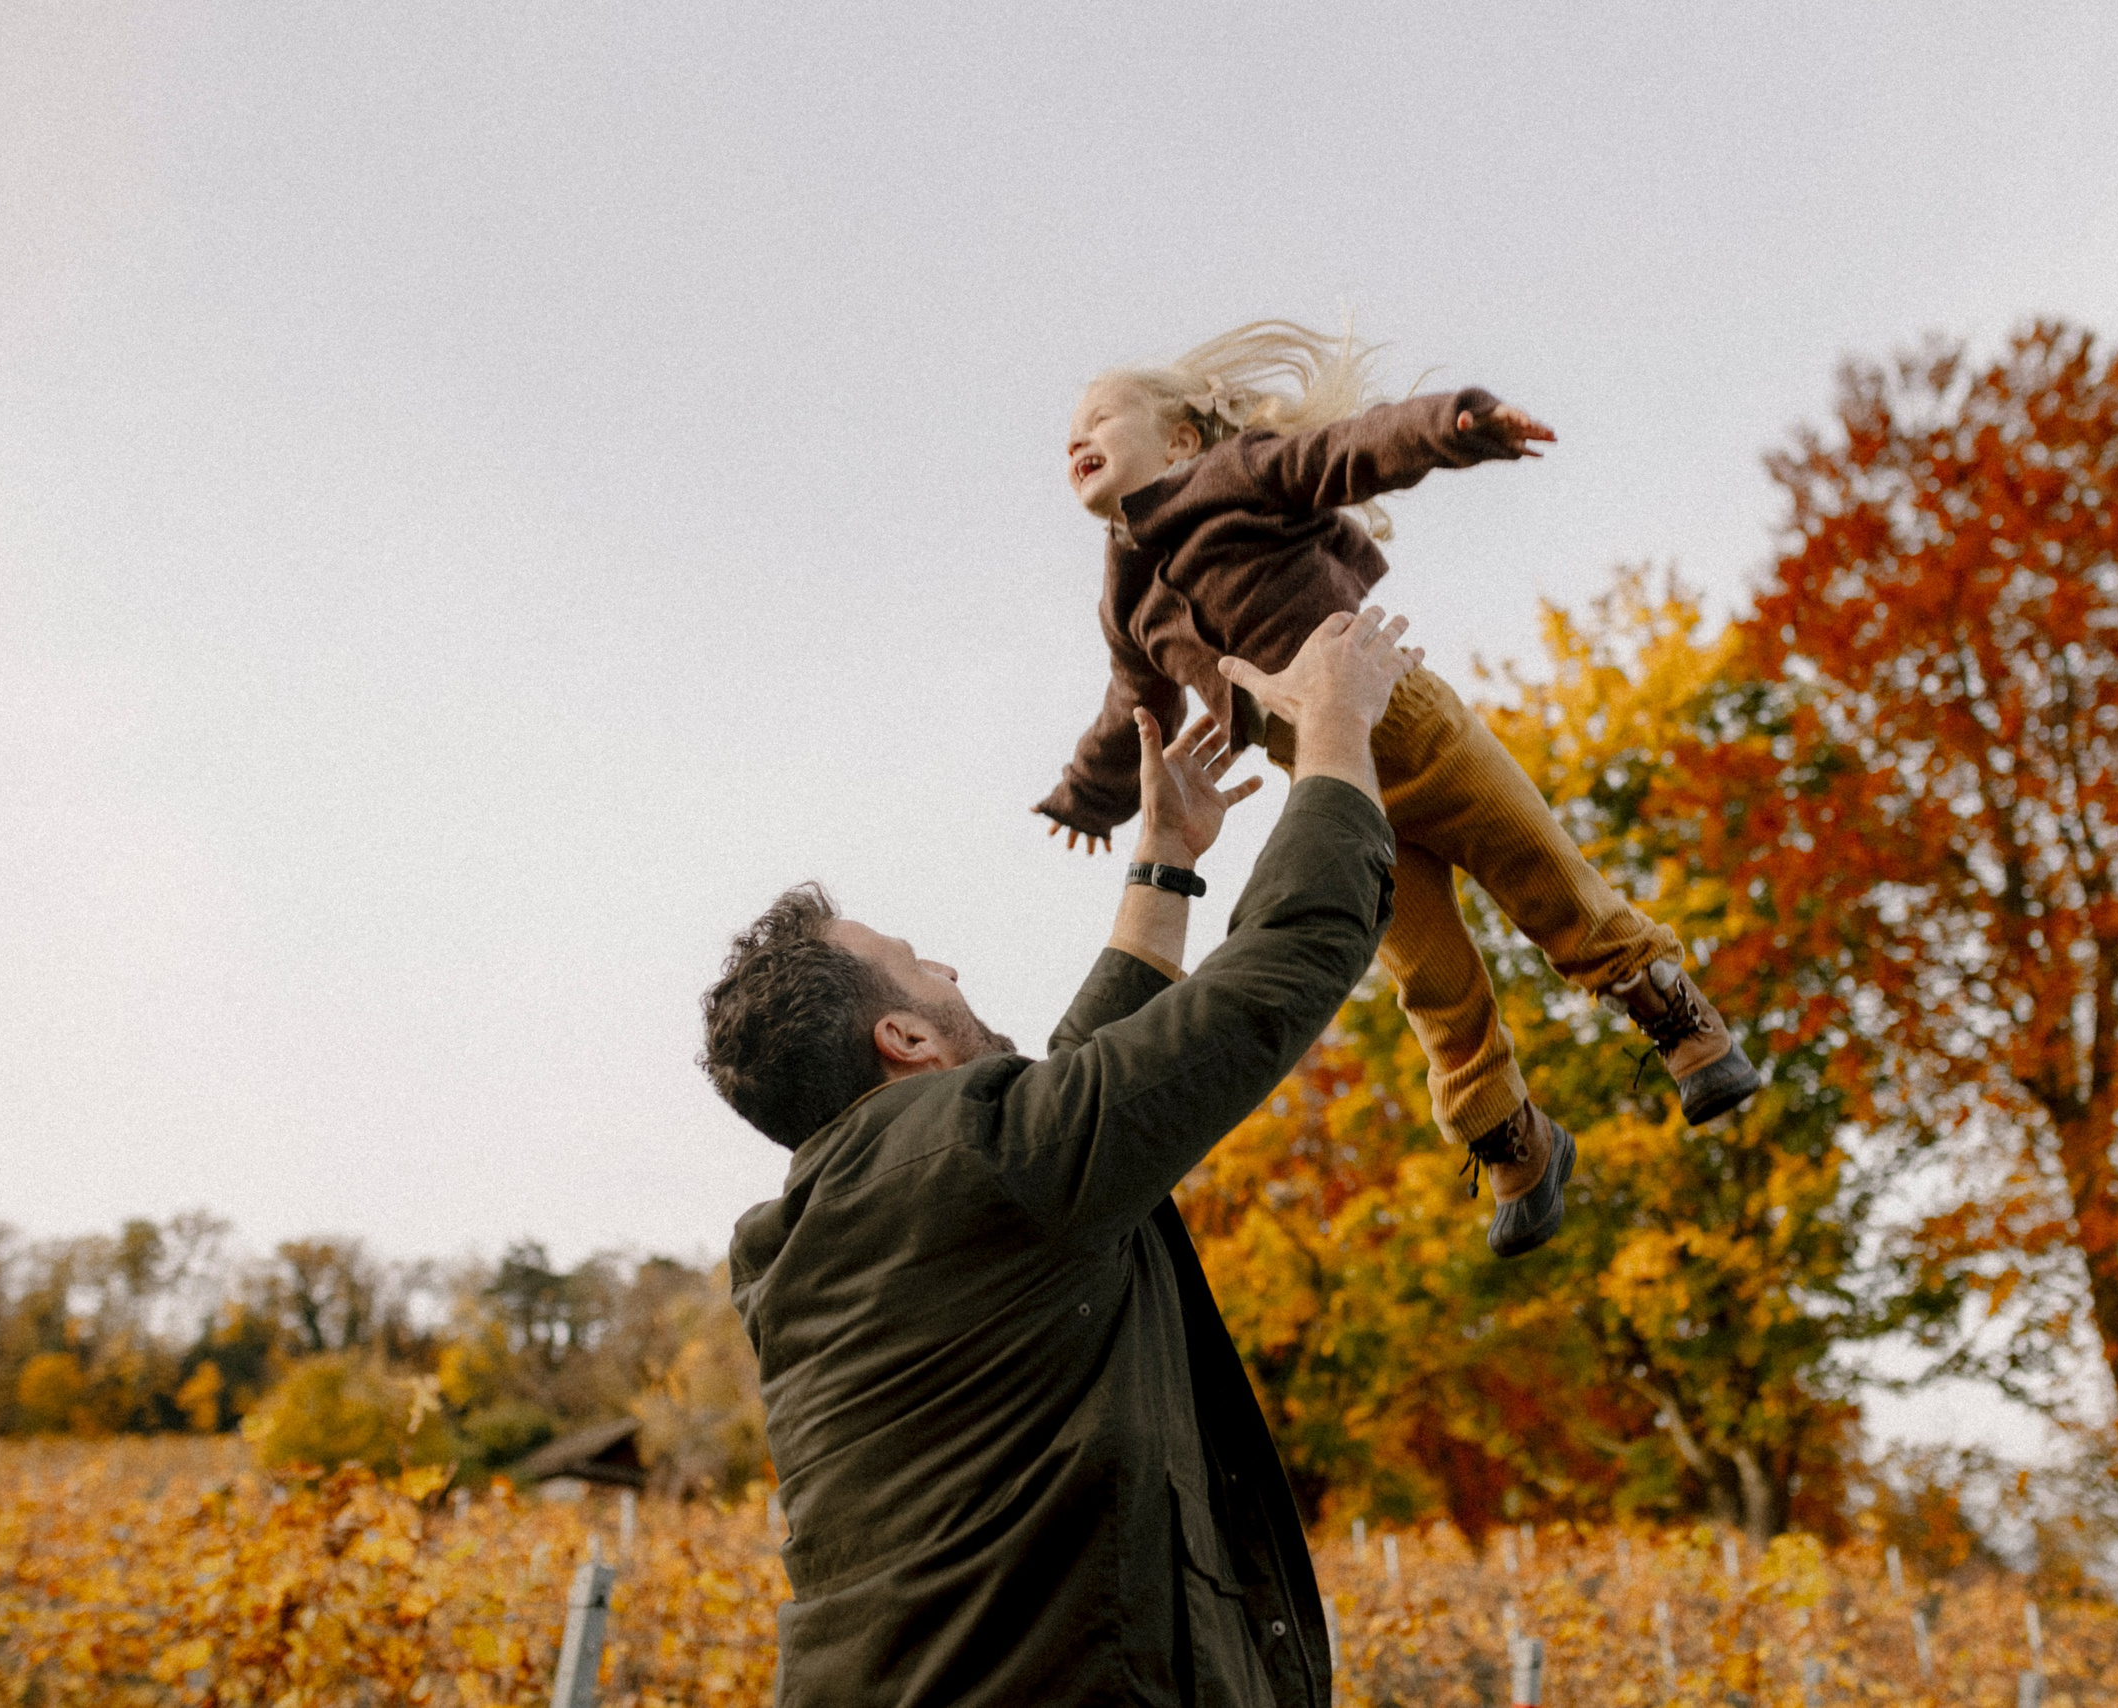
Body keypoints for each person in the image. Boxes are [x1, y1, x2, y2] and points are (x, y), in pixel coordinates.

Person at [703, 606, 1422, 1707]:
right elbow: (1279, 969)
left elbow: (1078, 1101)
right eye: (916, 966)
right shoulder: (983, 1166)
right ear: (902, 1038)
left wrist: (1166, 859)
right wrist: (1334, 729)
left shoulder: (854, 1220)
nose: (945, 965)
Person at [1037, 320, 1763, 1258]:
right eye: (1067, 434)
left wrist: (1453, 426)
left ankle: (1676, 1016)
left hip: (1406, 721)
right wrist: (1087, 798)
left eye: (1099, 416)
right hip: (1335, 795)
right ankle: (1514, 1139)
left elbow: (1345, 452)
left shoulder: (1236, 476)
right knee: (1426, 973)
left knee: (1537, 871)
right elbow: (1131, 703)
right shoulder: (1126, 601)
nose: (1075, 437)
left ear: (1178, 440)